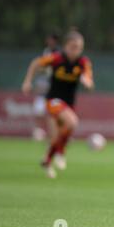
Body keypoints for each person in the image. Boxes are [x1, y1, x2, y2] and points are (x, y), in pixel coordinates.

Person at [22, 29, 94, 178]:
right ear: (65, 46)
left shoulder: (83, 62)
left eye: (79, 48)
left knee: (55, 137)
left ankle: (47, 160)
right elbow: (36, 63)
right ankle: (61, 152)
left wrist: (87, 83)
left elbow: (89, 81)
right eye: (73, 47)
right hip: (53, 101)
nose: (76, 51)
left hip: (68, 104)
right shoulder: (56, 58)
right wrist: (27, 81)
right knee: (73, 122)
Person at [31, 33, 61, 141]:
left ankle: (57, 134)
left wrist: (44, 69)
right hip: (43, 87)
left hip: (54, 87)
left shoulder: (58, 53)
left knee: (54, 112)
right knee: (38, 110)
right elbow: (41, 67)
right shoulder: (46, 51)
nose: (48, 41)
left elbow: (50, 68)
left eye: (50, 39)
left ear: (55, 40)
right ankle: (38, 132)